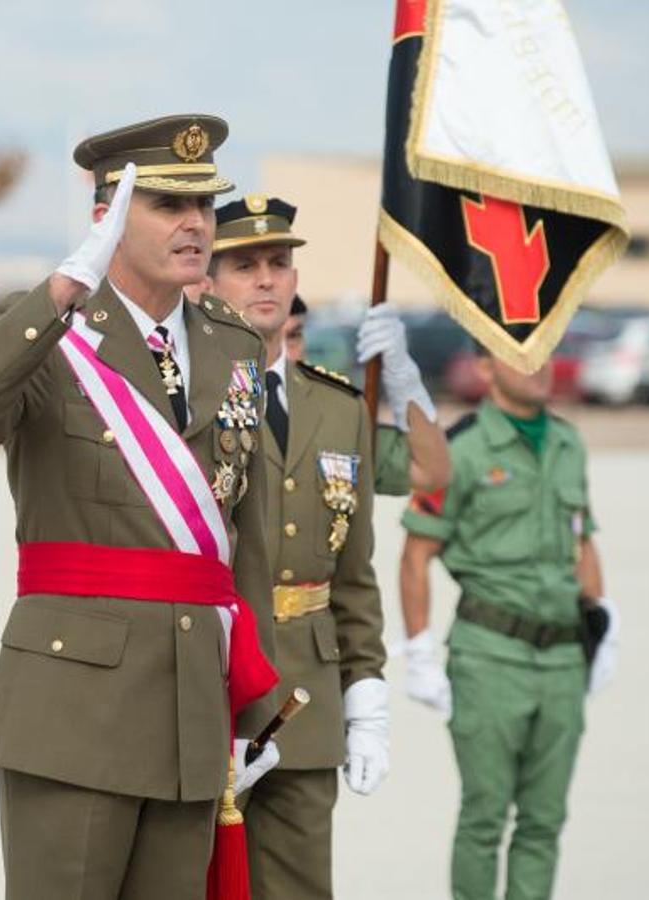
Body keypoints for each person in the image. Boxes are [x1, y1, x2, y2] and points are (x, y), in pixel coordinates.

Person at [0, 115, 281, 900]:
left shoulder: (230, 342)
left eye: (204, 206)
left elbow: (239, 536)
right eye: (165, 204)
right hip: (75, 703)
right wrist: (59, 289)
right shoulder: (50, 330)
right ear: (107, 218)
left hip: (192, 701)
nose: (195, 224)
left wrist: (252, 696)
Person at [207, 195, 386, 899]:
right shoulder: (184, 398)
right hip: (210, 689)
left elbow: (353, 571)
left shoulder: (338, 409)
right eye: (243, 264)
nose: (265, 280)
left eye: (278, 263)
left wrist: (366, 691)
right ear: (208, 281)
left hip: (306, 696)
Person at [399, 347, 619, 900]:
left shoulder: (568, 442)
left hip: (564, 656)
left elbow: (582, 537)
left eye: (547, 353)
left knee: (545, 820)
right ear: (483, 367)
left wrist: (604, 618)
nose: (540, 366)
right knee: (485, 815)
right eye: (521, 356)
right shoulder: (461, 449)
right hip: (491, 654)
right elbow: (417, 553)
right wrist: (420, 649)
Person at [282, 295, 449, 496]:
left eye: (293, 336)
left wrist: (403, 377)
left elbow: (430, 472)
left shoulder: (331, 419)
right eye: (267, 337)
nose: (286, 355)